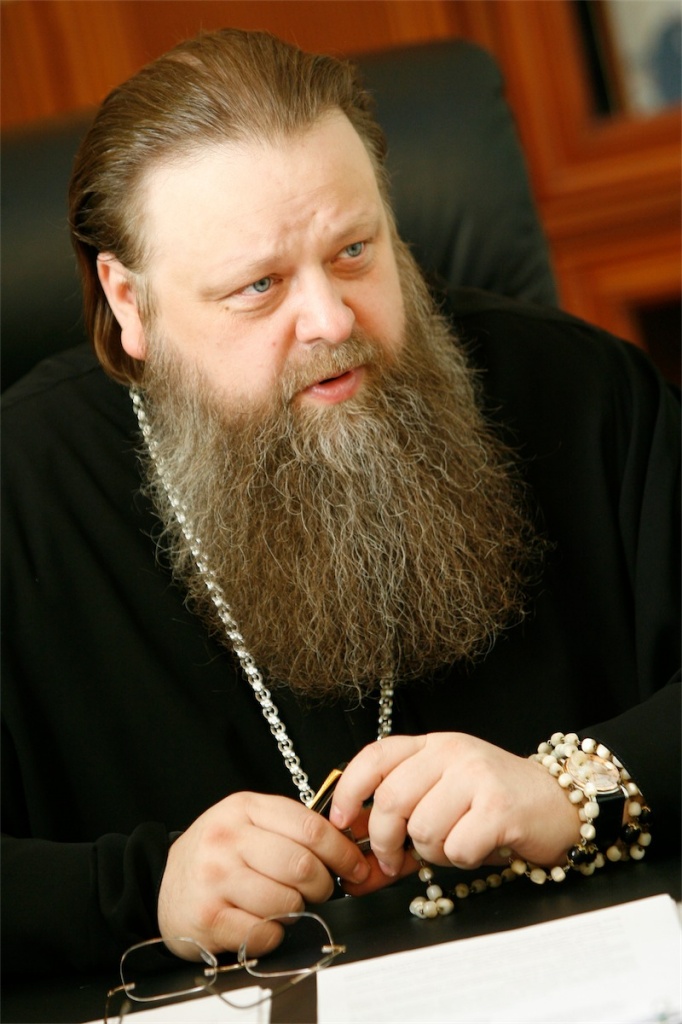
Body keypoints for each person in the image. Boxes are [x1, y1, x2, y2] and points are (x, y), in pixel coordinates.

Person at [2, 28, 679, 976]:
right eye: (259, 286)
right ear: (129, 302)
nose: (330, 319)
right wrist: (142, 891)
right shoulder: (20, 500)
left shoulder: (582, 392)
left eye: (356, 250)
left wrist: (579, 787)